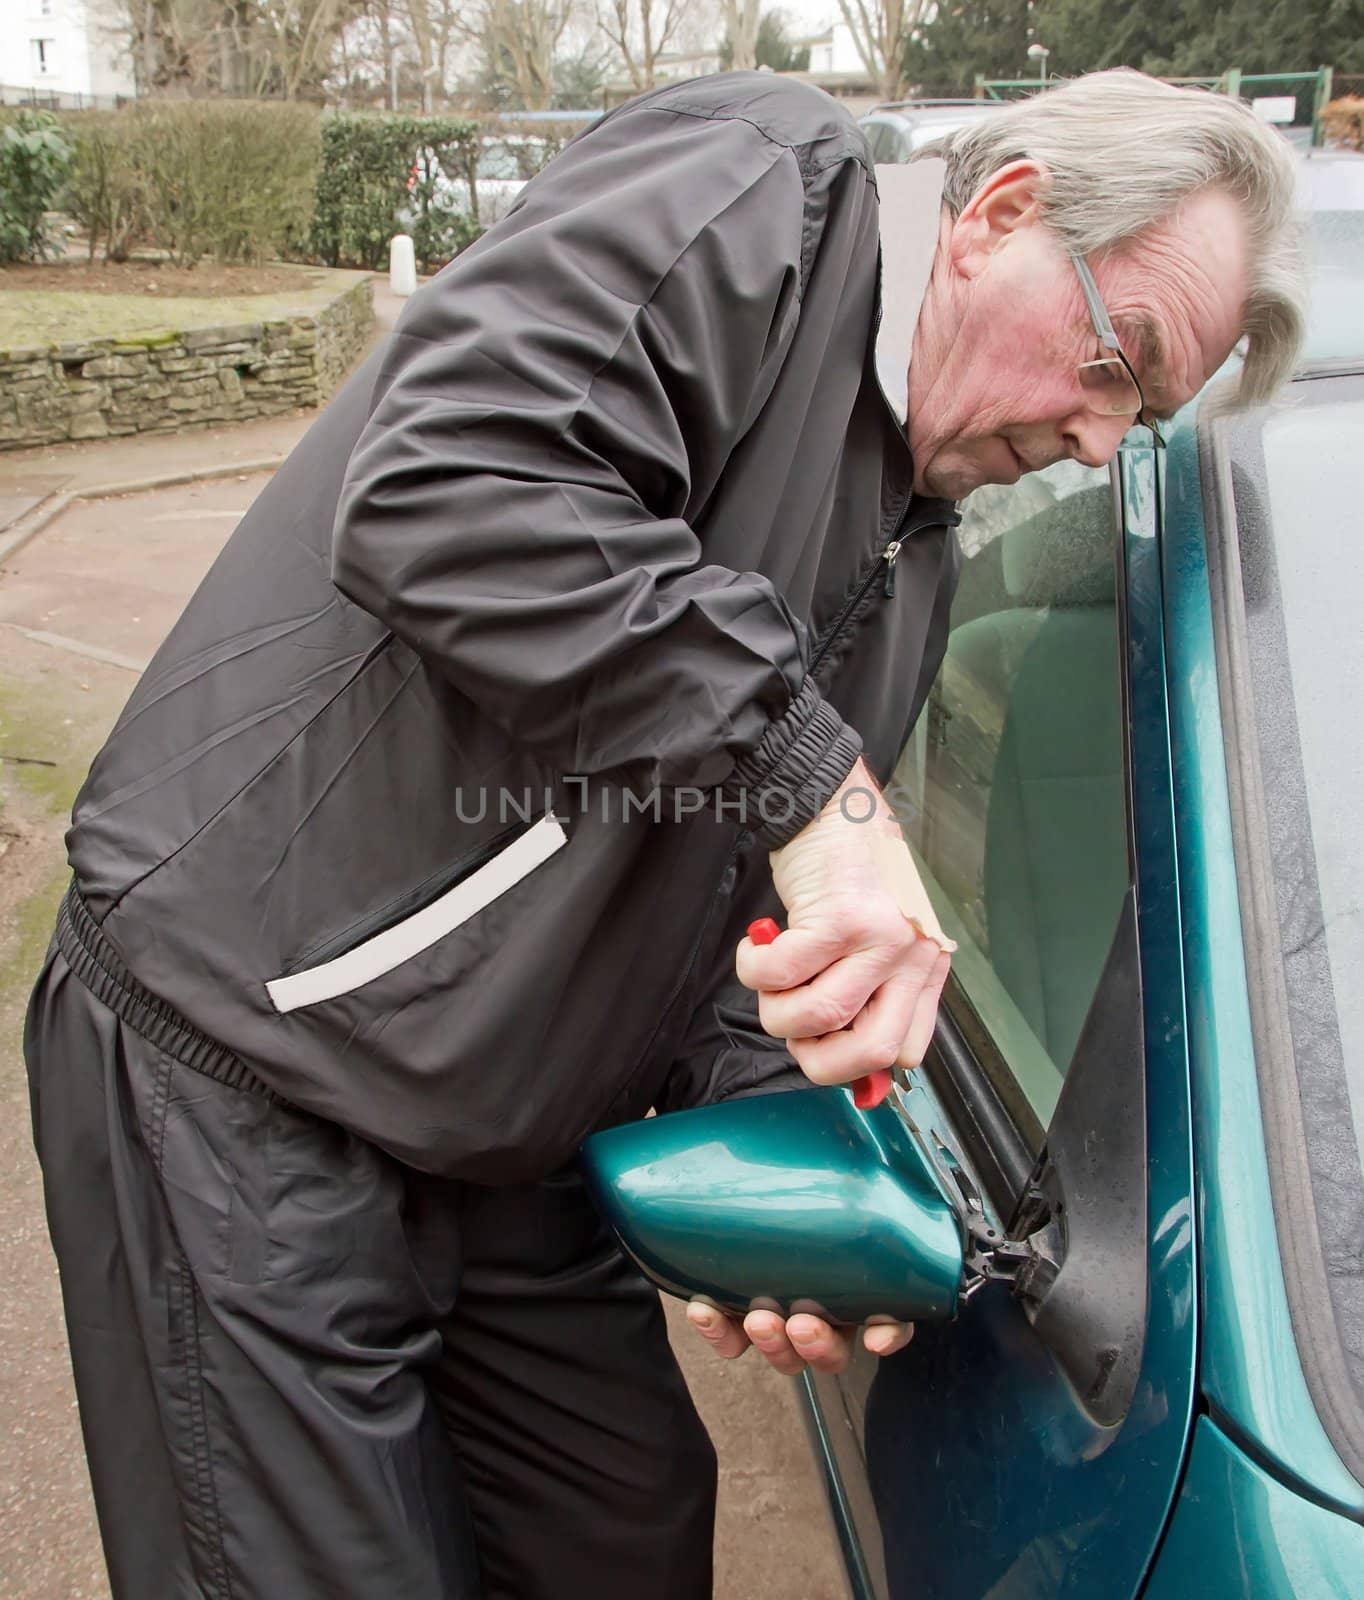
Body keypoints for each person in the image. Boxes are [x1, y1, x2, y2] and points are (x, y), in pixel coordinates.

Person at [25, 67, 1303, 1600]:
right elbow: (453, 479)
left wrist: (784, 1150)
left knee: (620, 1532)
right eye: (1118, 360)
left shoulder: (918, 557)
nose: (1103, 442)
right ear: (1000, 215)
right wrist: (812, 777)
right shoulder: (762, 185)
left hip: (513, 1139)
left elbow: (724, 937)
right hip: (247, 1062)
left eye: (1141, 417)